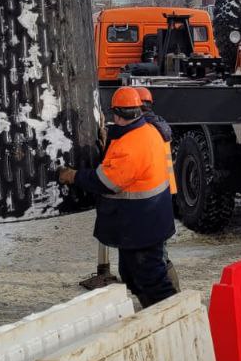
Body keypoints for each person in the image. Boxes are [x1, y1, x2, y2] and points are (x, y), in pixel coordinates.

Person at [58, 86, 176, 307]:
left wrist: (73, 176)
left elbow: (107, 182)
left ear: (116, 114)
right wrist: (107, 140)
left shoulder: (131, 146)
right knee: (131, 274)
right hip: (142, 223)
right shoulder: (147, 130)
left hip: (142, 225)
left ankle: (173, 319)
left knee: (151, 279)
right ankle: (154, 312)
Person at [137, 86, 179, 291]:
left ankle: (171, 295)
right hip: (164, 190)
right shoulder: (159, 125)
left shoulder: (145, 129)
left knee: (157, 251)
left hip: (153, 193)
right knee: (160, 247)